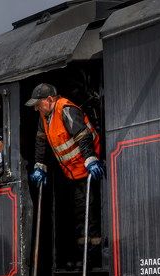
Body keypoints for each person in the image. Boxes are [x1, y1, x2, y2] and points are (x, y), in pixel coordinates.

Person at [26, 83, 105, 251]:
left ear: (49, 100)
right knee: (79, 208)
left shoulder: (66, 109)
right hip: (73, 172)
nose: (36, 109)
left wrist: (90, 158)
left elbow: (82, 135)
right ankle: (84, 248)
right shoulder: (44, 118)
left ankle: (96, 247)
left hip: (89, 167)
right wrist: (39, 166)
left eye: (38, 105)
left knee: (91, 206)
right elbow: (40, 143)